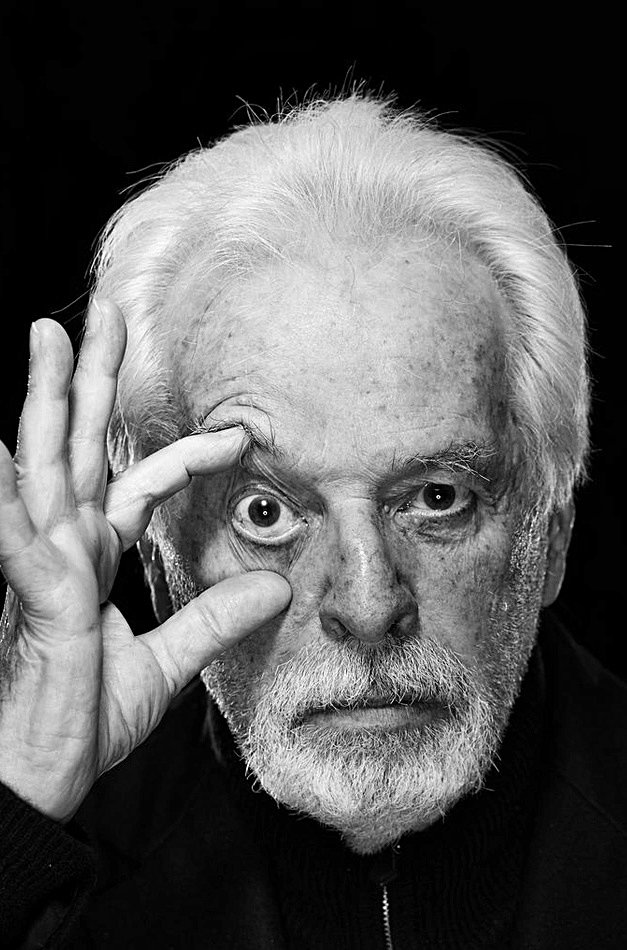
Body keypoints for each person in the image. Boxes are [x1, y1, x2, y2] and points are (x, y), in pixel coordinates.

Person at [0, 88, 625, 950]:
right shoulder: (59, 858)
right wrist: (20, 811)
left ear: (548, 533)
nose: (367, 605)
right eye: (265, 512)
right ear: (159, 562)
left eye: (436, 498)